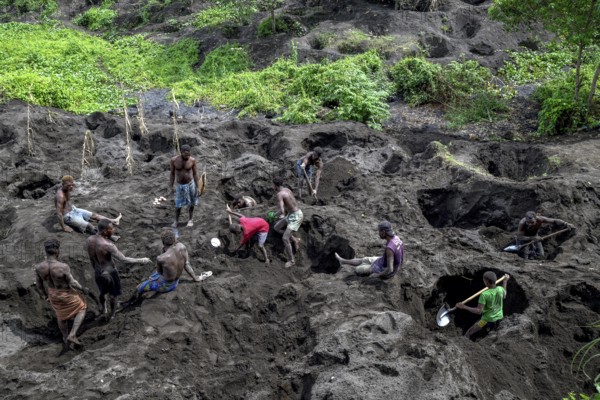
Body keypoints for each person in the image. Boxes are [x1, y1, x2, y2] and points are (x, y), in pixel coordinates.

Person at [122, 230, 211, 306]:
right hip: (176, 281)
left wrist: (162, 253)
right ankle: (153, 289)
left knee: (139, 287)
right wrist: (195, 278)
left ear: (163, 242)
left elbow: (160, 273)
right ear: (174, 240)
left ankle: (129, 303)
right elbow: (187, 264)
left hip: (166, 286)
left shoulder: (161, 258)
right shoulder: (182, 247)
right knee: (154, 276)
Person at [86, 219, 151, 319]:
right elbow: (123, 259)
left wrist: (95, 269)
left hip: (98, 271)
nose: (113, 230)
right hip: (110, 272)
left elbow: (91, 258)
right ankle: (112, 315)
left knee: (102, 293)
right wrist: (142, 260)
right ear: (104, 231)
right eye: (111, 229)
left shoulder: (89, 240)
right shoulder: (108, 245)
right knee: (113, 295)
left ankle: (103, 310)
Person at [34, 238, 88, 348]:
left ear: (46, 251)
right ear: (57, 251)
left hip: (53, 294)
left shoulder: (39, 267)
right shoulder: (63, 267)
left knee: (60, 316)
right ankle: (72, 334)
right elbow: (72, 282)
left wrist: (45, 296)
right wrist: (83, 289)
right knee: (82, 307)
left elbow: (39, 286)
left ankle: (65, 338)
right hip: (66, 293)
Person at [55, 175, 122, 240]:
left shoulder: (67, 189)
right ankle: (110, 236)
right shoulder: (60, 196)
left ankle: (113, 221)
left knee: (95, 216)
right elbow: (59, 214)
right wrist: (64, 227)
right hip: (68, 216)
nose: (71, 187)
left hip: (74, 209)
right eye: (69, 185)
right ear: (63, 184)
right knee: (89, 226)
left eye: (72, 184)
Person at [335, 220, 404, 279]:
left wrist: (377, 275)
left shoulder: (390, 248)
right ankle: (343, 261)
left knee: (358, 269)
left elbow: (390, 269)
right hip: (382, 261)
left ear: (383, 232)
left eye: (379, 231)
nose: (378, 233)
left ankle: (366, 268)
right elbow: (401, 258)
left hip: (382, 268)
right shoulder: (396, 238)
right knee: (364, 260)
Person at [456, 271, 510, 340]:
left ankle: (463, 343)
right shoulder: (500, 289)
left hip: (487, 320)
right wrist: (505, 281)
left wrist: (464, 307)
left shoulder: (484, 295)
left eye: (484, 280)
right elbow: (504, 295)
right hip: (499, 317)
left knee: (469, 332)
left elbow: (478, 311)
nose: (483, 281)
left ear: (487, 282)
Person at [272, 176, 302, 268]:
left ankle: (291, 260)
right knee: (276, 227)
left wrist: (274, 215)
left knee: (285, 238)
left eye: (272, 184)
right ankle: (295, 240)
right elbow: (290, 203)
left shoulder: (280, 194)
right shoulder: (287, 189)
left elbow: (281, 210)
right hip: (293, 213)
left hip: (295, 216)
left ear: (275, 185)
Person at [169, 144, 201, 228]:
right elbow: (172, 174)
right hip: (179, 185)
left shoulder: (192, 160)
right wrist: (171, 186)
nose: (187, 156)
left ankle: (190, 219)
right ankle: (176, 220)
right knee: (178, 204)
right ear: (181, 152)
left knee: (192, 203)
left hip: (190, 184)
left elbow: (195, 174)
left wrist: (198, 187)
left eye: (189, 154)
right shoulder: (174, 160)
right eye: (186, 154)